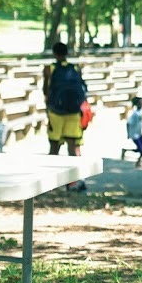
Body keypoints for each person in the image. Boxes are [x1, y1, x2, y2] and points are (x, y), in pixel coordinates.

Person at [42, 41, 88, 191]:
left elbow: (46, 90)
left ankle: (50, 182)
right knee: (73, 147)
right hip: (74, 112)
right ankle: (75, 180)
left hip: (56, 112)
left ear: (55, 53)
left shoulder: (50, 68)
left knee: (54, 146)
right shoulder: (75, 68)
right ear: (67, 53)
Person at [123, 96, 142, 166]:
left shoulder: (141, 112)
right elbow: (128, 123)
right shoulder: (134, 114)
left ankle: (125, 150)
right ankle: (138, 163)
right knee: (141, 148)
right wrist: (128, 134)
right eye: (140, 103)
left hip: (139, 133)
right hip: (134, 134)